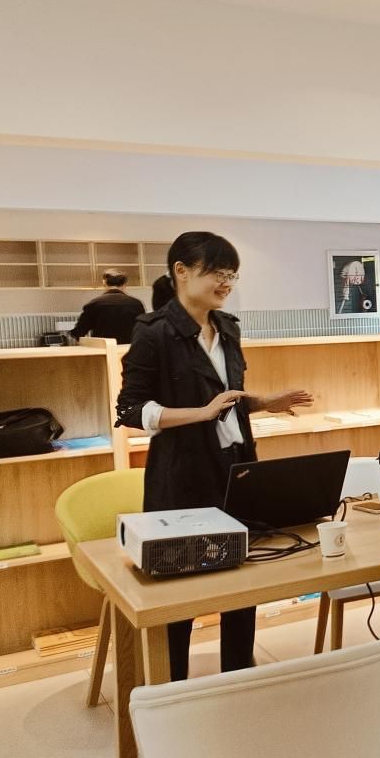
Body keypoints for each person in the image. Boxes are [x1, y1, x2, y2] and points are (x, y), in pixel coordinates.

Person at [115, 232, 313, 681]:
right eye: (216, 273)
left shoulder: (227, 327)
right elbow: (130, 410)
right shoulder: (154, 332)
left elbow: (227, 400)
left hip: (237, 467)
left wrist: (263, 403)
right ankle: (173, 686)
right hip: (181, 474)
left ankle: (238, 675)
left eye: (231, 275)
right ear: (181, 271)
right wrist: (200, 413)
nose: (226, 283)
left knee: (242, 580)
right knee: (180, 588)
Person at [71, 270, 145, 344]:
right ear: (125, 284)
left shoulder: (93, 304)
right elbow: (143, 330)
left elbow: (78, 332)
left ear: (104, 283)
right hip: (129, 348)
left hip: (103, 349)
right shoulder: (136, 304)